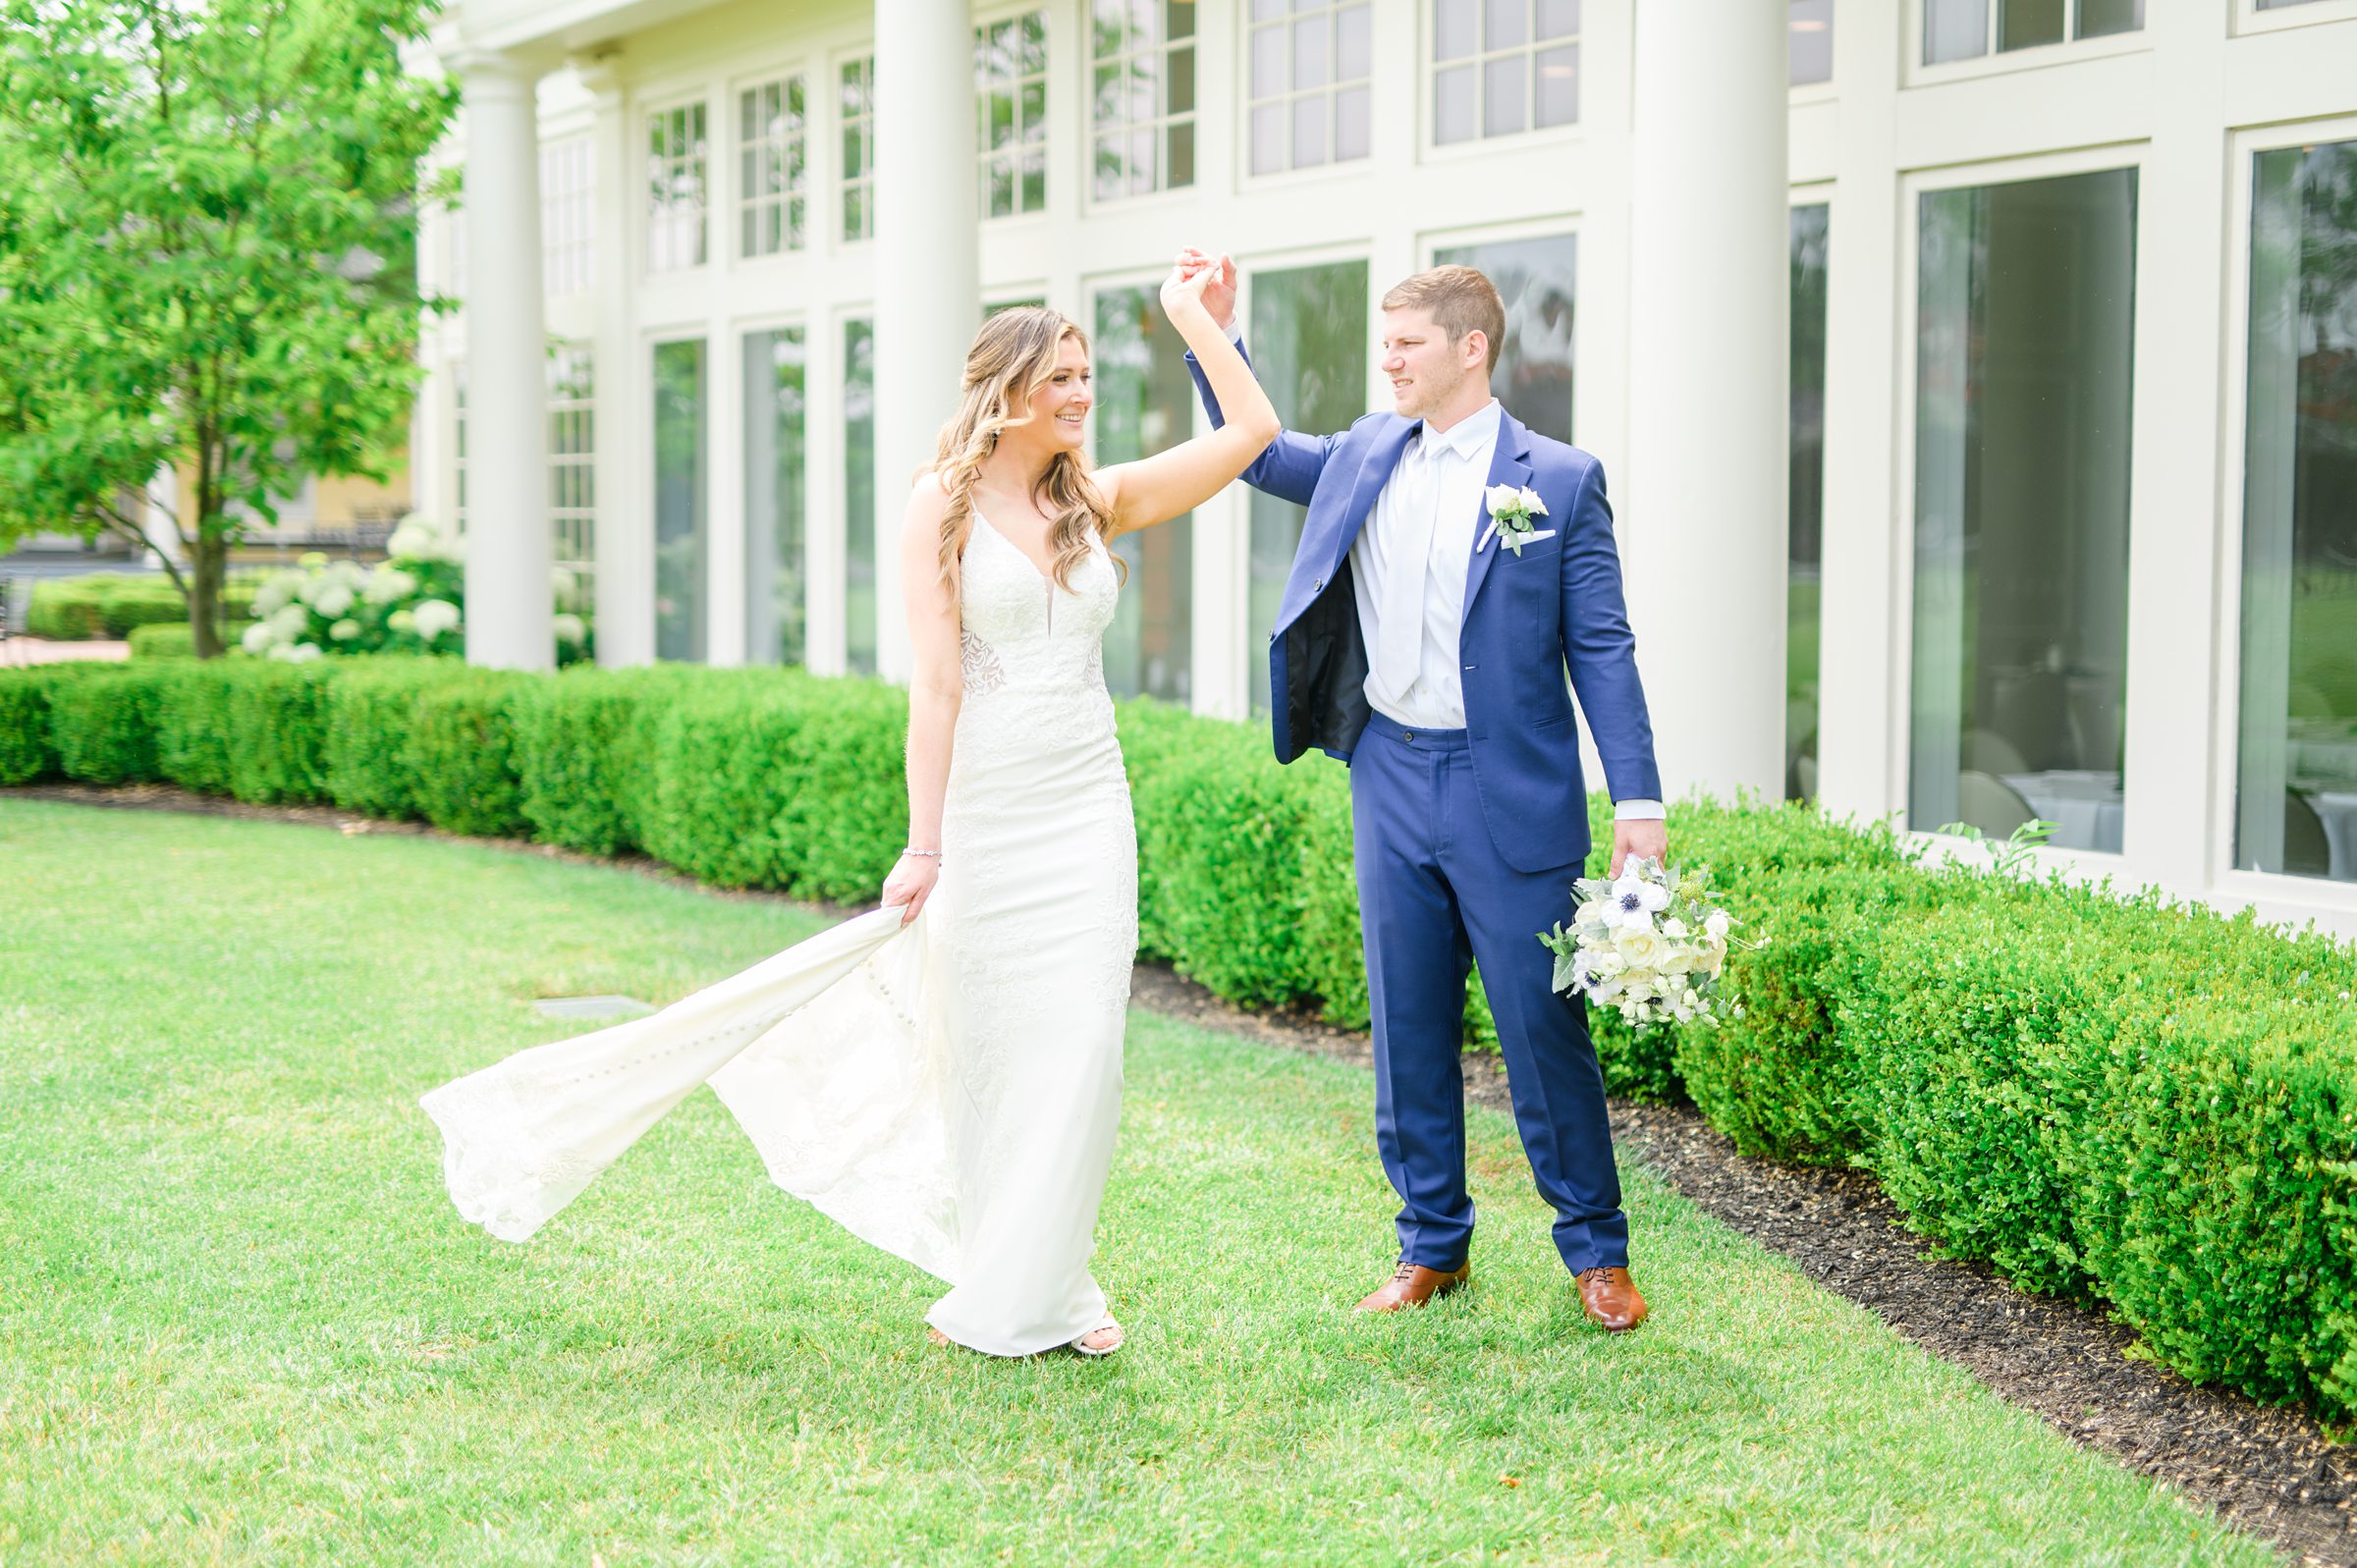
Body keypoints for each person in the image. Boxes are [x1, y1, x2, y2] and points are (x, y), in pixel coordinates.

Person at [420, 263, 1279, 1360]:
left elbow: (1252, 427)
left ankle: (1049, 1285)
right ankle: (1014, 1285)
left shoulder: (1094, 499)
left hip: (1086, 809)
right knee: (991, 1049)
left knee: (1084, 1052)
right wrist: (924, 843)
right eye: (1062, 377)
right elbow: (938, 685)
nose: (1082, 393)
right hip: (989, 811)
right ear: (1008, 391)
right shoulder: (944, 503)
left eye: (1085, 375)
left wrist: (1196, 322)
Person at [1178, 251, 1666, 1332]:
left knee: (1543, 1029)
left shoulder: (1560, 480)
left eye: (1407, 345)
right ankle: (1430, 1244)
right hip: (1389, 770)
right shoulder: (1362, 452)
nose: (1387, 361)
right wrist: (1213, 335)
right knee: (1406, 1022)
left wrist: (1638, 799)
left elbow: (1604, 644)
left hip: (1511, 786)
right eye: (1384, 344)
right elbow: (1253, 448)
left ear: (1471, 349)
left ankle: (1597, 1250)